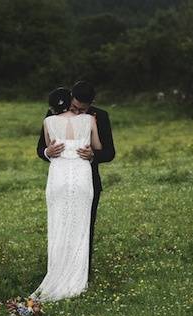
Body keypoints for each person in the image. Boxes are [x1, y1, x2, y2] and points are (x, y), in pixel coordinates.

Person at [35, 81, 116, 283]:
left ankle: (82, 273)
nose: (77, 112)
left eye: (82, 109)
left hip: (87, 180)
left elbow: (109, 152)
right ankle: (59, 268)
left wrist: (93, 155)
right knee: (60, 222)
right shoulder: (53, 115)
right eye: (74, 107)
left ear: (91, 104)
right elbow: (40, 148)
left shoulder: (100, 117)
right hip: (61, 178)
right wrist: (48, 152)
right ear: (70, 98)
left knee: (85, 225)